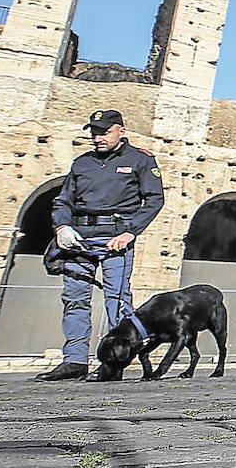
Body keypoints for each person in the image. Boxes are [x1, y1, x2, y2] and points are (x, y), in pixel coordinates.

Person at [34, 110, 164, 382]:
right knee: (74, 299)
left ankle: (112, 362)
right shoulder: (82, 163)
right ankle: (74, 361)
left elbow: (154, 200)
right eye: (94, 132)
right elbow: (63, 200)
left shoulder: (141, 160)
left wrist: (130, 233)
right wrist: (61, 227)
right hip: (78, 238)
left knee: (116, 302)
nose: (98, 138)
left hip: (116, 238)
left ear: (121, 131)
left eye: (104, 132)